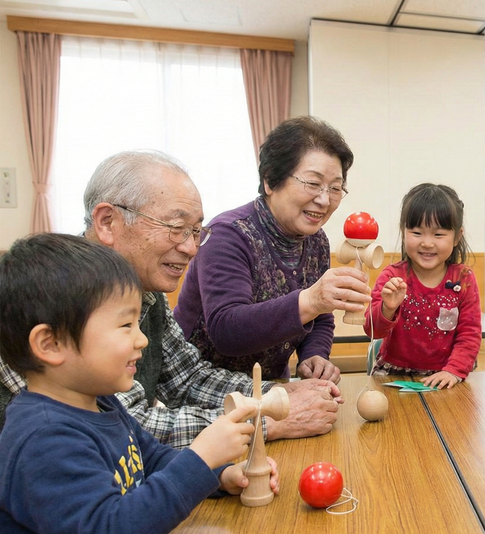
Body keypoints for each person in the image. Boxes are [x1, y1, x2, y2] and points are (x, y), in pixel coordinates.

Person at [0, 150, 342, 448]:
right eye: (177, 228)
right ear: (107, 222)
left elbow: (188, 378)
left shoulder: (144, 291)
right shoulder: (48, 295)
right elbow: (121, 427)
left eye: (196, 231)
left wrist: (275, 395)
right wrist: (268, 421)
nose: (192, 248)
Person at [0, 233, 279, 534]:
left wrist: (220, 475)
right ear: (50, 344)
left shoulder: (99, 401)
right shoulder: (44, 439)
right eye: (125, 325)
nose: (142, 339)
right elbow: (112, 526)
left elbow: (153, 459)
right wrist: (200, 459)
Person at [174, 116, 371, 382]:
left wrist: (314, 354)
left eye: (335, 187)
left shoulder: (316, 241)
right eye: (313, 183)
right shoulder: (227, 234)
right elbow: (227, 331)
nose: (324, 199)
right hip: (202, 387)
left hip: (273, 389)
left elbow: (319, 317)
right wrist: (311, 299)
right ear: (270, 180)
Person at [365, 183, 481, 390]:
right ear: (404, 232)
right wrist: (387, 308)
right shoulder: (392, 276)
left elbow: (469, 334)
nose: (427, 243)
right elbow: (372, 329)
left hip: (446, 374)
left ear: (457, 237)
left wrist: (454, 370)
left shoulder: (464, 279)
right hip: (393, 373)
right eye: (417, 233)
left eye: (438, 235)